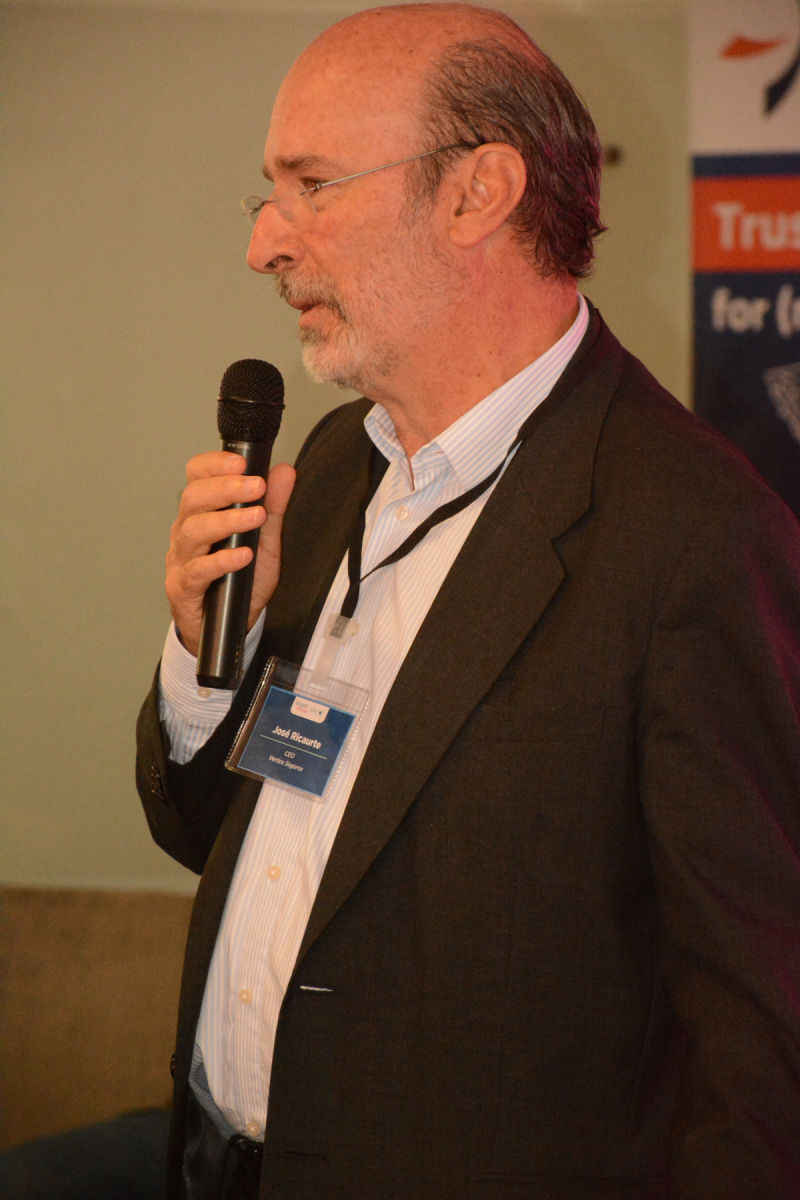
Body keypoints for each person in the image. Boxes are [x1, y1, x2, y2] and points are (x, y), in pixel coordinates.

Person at [136, 4, 800, 1197]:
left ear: (475, 193)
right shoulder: (329, 465)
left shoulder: (691, 534)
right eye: (266, 195)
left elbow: (761, 1031)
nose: (263, 243)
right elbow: (222, 842)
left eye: (311, 185)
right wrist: (202, 661)